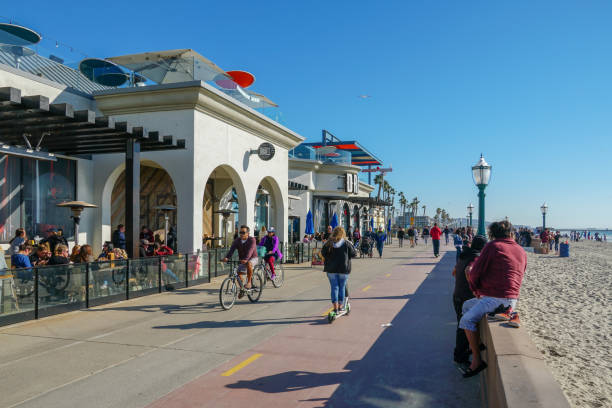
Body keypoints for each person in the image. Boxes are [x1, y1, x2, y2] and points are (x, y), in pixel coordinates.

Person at [460, 220, 527, 377]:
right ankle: (477, 344)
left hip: (496, 299)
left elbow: (475, 272)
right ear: (511, 233)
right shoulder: (520, 249)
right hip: (511, 298)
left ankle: (476, 360)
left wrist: (476, 289)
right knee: (466, 306)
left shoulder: (493, 246)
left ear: (492, 234)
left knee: (466, 321)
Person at [452, 235, 487, 366]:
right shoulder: (477, 258)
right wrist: (475, 289)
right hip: (466, 296)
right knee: (464, 327)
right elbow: (469, 271)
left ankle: (464, 352)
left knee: (461, 326)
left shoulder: (463, 255)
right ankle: (460, 356)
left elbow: (454, 272)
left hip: (456, 295)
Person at [321, 226, 356, 314]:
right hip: (343, 269)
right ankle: (340, 306)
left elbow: (323, 253)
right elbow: (354, 254)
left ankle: (335, 307)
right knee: (342, 287)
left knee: (334, 288)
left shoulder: (329, 243)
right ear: (343, 233)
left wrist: (330, 258)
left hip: (331, 269)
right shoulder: (346, 243)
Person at [222, 225, 258, 297]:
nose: (241, 234)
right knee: (237, 272)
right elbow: (231, 250)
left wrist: (246, 259)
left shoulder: (252, 240)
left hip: (252, 258)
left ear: (248, 233)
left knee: (249, 263)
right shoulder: (237, 240)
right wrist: (227, 257)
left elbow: (250, 251)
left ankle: (249, 282)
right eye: (240, 232)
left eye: (243, 232)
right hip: (242, 260)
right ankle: (242, 289)